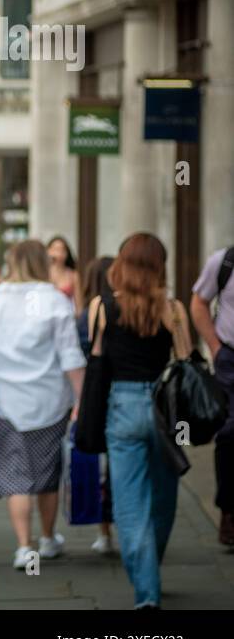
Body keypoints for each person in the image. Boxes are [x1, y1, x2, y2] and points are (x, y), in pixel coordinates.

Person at [87, 233, 192, 608]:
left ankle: (146, 589)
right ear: (159, 265)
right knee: (164, 499)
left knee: (130, 504)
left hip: (122, 406)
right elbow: (186, 360)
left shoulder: (101, 306)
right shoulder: (173, 308)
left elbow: (96, 363)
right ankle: (150, 570)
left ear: (122, 262)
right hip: (165, 410)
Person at [0, 240, 86, 570]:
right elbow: (70, 356)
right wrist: (81, 398)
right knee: (47, 472)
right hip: (49, 400)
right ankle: (48, 538)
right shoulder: (55, 300)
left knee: (15, 475)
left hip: (4, 401)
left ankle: (24, 547)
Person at [190, 244, 234, 546]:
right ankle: (229, 513)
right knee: (230, 434)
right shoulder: (224, 261)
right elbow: (199, 303)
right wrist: (215, 348)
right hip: (230, 358)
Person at [76, 255, 117, 555]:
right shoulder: (127, 307)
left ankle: (104, 531)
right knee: (116, 466)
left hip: (94, 394)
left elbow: (85, 356)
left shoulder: (88, 313)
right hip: (120, 393)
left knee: (100, 463)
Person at [48, 235, 77, 300]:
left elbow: (78, 304)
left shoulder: (73, 275)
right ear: (48, 251)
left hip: (66, 309)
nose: (59, 253)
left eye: (62, 250)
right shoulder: (42, 273)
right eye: (55, 249)